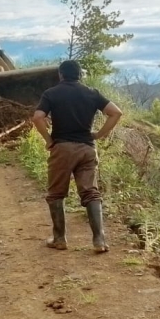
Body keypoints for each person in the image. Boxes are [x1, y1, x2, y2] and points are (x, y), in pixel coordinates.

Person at [31, 60, 123, 253]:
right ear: (80, 75)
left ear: (61, 75)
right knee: (90, 192)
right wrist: (99, 134)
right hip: (87, 149)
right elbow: (115, 112)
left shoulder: (51, 93)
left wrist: (48, 139)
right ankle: (99, 240)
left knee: (56, 193)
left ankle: (59, 239)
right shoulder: (92, 93)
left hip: (62, 149)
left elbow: (38, 117)